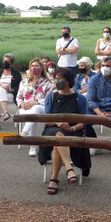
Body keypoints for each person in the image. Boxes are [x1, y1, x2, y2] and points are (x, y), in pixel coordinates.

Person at [38, 67, 91, 195]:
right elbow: (46, 120)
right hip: (52, 129)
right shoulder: (51, 96)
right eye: (55, 79)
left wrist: (73, 127)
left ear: (68, 80)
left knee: (58, 143)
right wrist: (58, 122)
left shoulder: (80, 98)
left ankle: (54, 179)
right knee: (58, 134)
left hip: (73, 131)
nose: (57, 82)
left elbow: (83, 122)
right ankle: (68, 167)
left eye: (60, 79)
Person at [16, 58, 51, 157]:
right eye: (32, 66)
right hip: (25, 109)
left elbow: (48, 99)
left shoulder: (47, 82)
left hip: (41, 108)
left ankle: (24, 133)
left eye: (36, 66)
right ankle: (33, 145)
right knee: (33, 116)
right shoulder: (24, 82)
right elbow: (18, 96)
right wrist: (21, 104)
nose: (34, 68)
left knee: (35, 110)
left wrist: (34, 103)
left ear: (41, 68)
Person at [85, 56, 111, 156]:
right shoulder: (94, 79)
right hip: (98, 108)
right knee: (84, 119)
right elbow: (90, 99)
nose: (105, 68)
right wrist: (100, 113)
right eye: (103, 65)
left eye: (108, 66)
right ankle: (94, 144)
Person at [0, 53, 22, 131]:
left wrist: (11, 89)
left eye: (7, 61)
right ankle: (6, 112)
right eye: (3, 61)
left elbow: (19, 86)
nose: (4, 63)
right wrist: (0, 87)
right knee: (0, 90)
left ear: (11, 63)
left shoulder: (16, 74)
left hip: (10, 94)